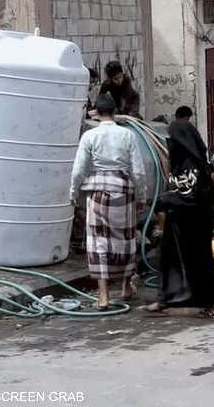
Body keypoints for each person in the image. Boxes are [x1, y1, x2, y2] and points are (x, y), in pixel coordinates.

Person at [69, 94, 146, 310]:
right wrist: (141, 196)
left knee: (98, 243)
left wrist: (73, 194)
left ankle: (103, 296)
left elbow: (78, 170)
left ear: (97, 112)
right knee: (126, 239)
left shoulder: (89, 136)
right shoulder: (127, 135)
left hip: (98, 193)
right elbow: (138, 171)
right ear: (114, 112)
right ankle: (125, 287)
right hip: (123, 189)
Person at [141, 115, 214, 317]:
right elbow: (175, 189)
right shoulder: (178, 162)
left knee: (200, 260)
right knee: (168, 258)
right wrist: (162, 201)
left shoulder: (196, 165)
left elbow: (191, 195)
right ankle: (165, 300)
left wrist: (163, 201)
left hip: (197, 221)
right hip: (177, 219)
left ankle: (212, 302)